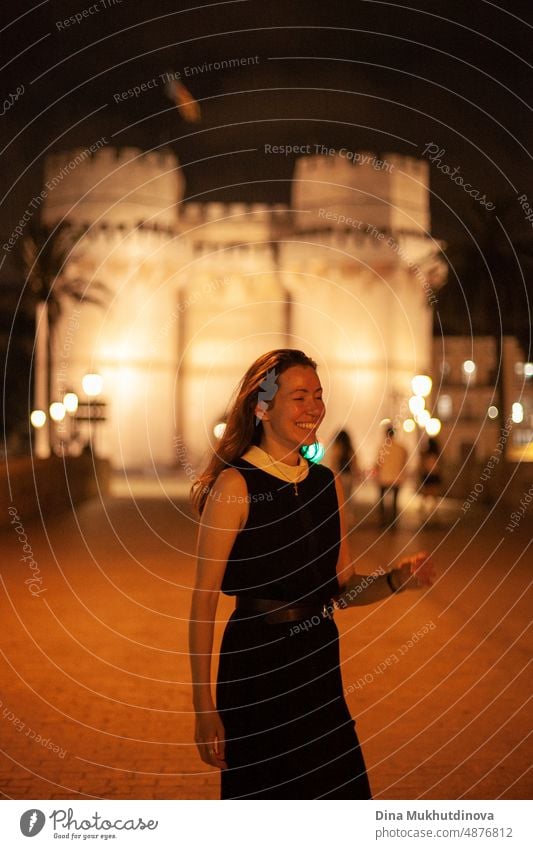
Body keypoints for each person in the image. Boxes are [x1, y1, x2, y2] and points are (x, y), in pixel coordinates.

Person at [189, 349, 434, 799]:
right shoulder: (235, 485)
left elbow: (342, 586)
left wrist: (396, 580)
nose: (314, 408)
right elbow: (204, 599)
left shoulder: (327, 483)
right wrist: (203, 707)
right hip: (256, 663)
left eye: (318, 396)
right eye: (299, 396)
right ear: (263, 407)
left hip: (318, 659)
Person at [374, 426, 409, 528]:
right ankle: (393, 522)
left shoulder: (383, 448)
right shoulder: (402, 448)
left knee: (382, 501)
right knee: (394, 502)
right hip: (397, 478)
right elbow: (404, 462)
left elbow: (378, 464)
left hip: (384, 478)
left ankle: (382, 521)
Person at [328, 429, 360, 521]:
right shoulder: (350, 449)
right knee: (348, 497)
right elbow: (354, 463)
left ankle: (340, 516)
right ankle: (348, 516)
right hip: (348, 476)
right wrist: (357, 474)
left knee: (339, 497)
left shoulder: (337, 448)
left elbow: (333, 463)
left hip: (339, 475)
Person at [418, 437, 442, 519]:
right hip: (435, 474)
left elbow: (423, 464)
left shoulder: (426, 453)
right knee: (434, 491)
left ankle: (423, 506)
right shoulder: (437, 454)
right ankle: (434, 507)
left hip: (428, 473)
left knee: (426, 490)